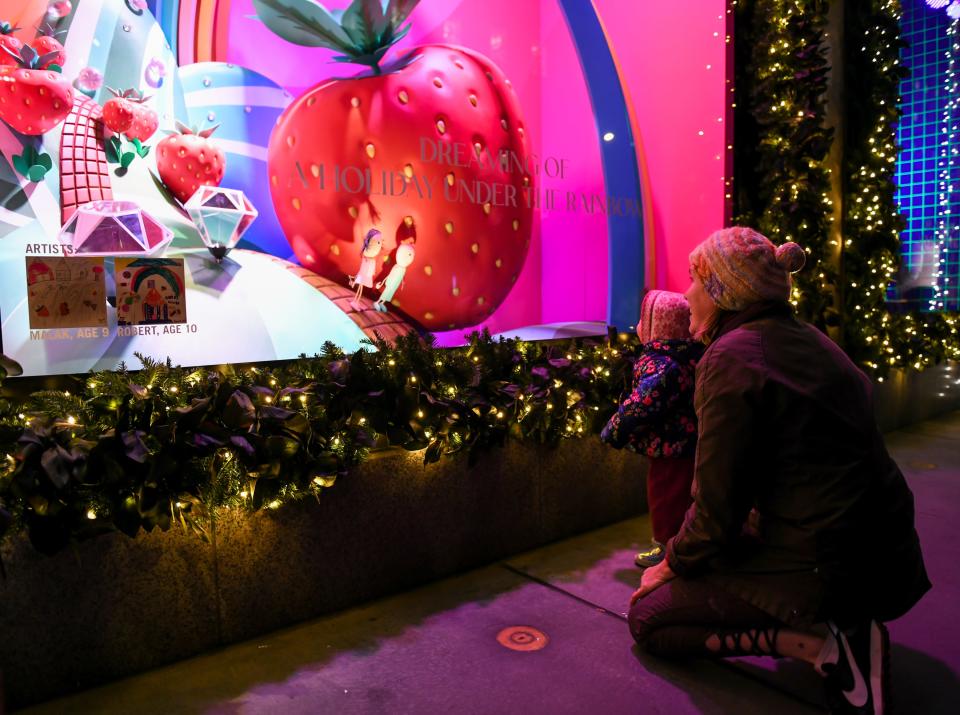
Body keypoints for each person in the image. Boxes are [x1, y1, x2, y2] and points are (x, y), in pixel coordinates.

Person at [627, 227, 930, 715]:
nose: (686, 294)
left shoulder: (729, 359)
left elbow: (715, 515)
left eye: (695, 280)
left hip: (824, 562)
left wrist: (670, 564)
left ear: (724, 292)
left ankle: (826, 647)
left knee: (649, 619)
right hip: (883, 551)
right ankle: (841, 625)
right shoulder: (806, 337)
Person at [601, 290, 704, 568]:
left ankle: (667, 547)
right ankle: (680, 541)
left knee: (665, 497)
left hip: (669, 445)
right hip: (687, 442)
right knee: (682, 495)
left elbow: (644, 402)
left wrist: (616, 427)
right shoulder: (690, 354)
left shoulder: (663, 363)